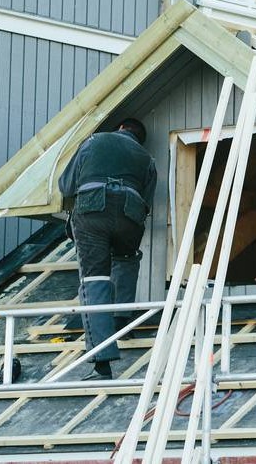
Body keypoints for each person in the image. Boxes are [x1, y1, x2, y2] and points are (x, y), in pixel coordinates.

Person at [59, 118, 157, 380]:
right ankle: (122, 319)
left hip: (93, 210)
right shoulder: (147, 159)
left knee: (95, 279)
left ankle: (102, 361)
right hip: (130, 214)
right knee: (126, 258)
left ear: (121, 128)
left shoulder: (95, 140)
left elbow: (66, 186)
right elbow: (147, 203)